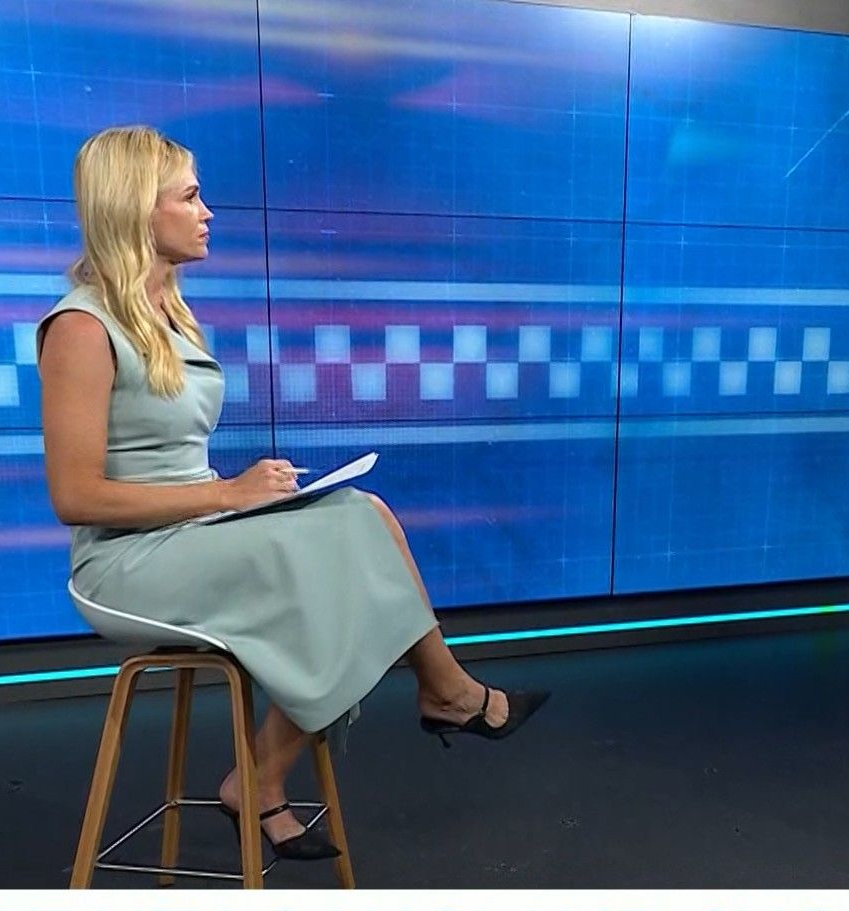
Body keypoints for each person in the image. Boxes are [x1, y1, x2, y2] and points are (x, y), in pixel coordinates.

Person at [37, 125, 548, 861]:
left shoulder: (164, 316)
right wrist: (228, 497)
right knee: (350, 546)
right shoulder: (82, 328)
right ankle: (441, 697)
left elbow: (171, 467)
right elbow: (76, 498)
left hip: (190, 531)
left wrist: (241, 497)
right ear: (136, 210)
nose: (208, 212)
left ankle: (284, 767)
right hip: (123, 565)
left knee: (363, 515)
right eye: (190, 197)